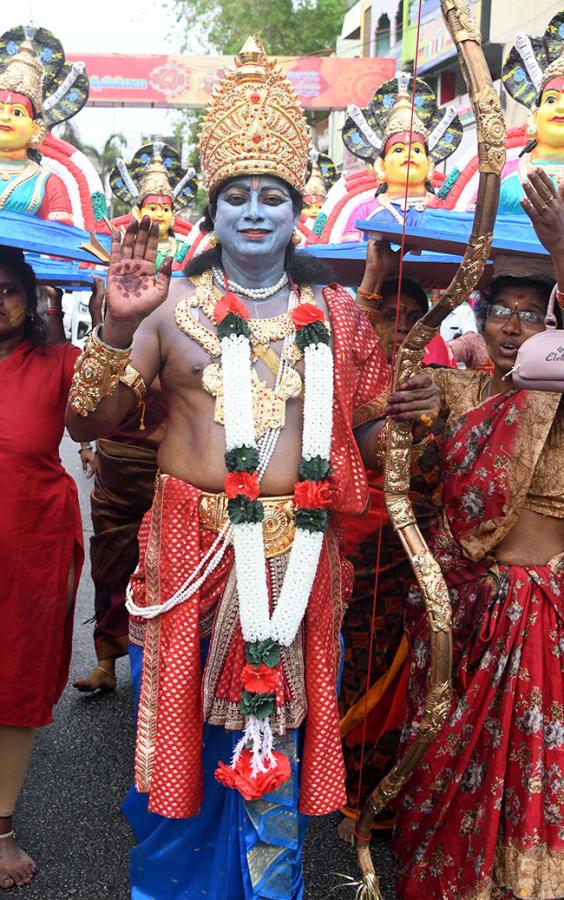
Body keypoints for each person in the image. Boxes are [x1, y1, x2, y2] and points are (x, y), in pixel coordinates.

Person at [65, 36, 440, 898]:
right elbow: (93, 418)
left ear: (297, 209)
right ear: (213, 210)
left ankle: (269, 889)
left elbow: (370, 442)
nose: (256, 212)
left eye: (273, 196)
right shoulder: (168, 311)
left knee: (278, 727)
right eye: (238, 197)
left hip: (296, 556)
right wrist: (117, 330)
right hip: (191, 552)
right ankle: (172, 885)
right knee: (183, 733)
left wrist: (410, 419)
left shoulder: (339, 315)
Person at [393, 167, 564, 898]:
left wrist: (563, 249)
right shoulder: (461, 387)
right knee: (447, 754)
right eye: (501, 309)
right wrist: (415, 399)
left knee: (533, 760)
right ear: (481, 314)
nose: (513, 324)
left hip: (543, 610)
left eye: (533, 313)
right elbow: (389, 423)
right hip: (460, 607)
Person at [338, 239, 452, 842]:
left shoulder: (444, 384)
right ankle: (338, 790)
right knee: (346, 673)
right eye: (387, 315)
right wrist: (372, 276)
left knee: (406, 679)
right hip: (349, 551)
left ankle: (375, 795)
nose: (400, 328)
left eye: (414, 319)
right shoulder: (341, 377)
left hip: (420, 557)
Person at [0, 248, 83, 889]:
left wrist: (115, 327)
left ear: (30, 301)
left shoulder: (60, 364)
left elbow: (99, 419)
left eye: (6, 290)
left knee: (17, 682)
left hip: (29, 543)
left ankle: (0, 827)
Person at [109, 141, 197, 271]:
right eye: (153, 208)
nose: (160, 214)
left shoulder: (184, 248)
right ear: (138, 212)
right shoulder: (124, 245)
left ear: (173, 214)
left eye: (166, 209)